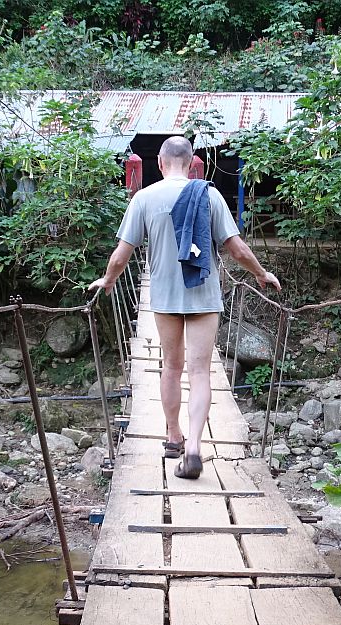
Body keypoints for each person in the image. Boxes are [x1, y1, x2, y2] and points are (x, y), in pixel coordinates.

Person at [88, 136, 280, 480]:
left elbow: (121, 254)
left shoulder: (144, 198)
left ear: (159, 164)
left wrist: (108, 280)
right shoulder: (209, 194)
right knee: (201, 372)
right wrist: (261, 274)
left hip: (163, 298)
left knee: (172, 368)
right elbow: (236, 249)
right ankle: (193, 449)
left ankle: (173, 437)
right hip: (204, 295)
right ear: (193, 164)